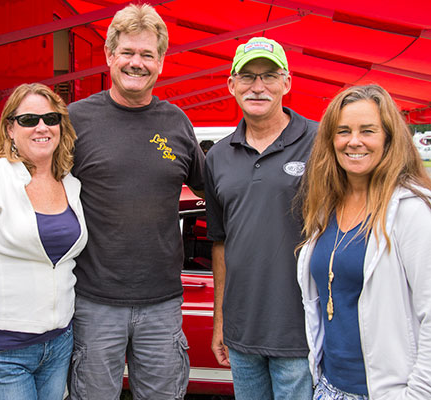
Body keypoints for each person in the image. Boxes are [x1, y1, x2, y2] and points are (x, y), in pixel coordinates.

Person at [67, 4, 205, 400]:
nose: (136, 63)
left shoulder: (176, 123)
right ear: (110, 56)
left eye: (147, 54)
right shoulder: (77, 120)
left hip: (162, 302)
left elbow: (213, 190)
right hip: (93, 301)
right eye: (128, 52)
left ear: (161, 62)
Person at [297, 84, 431, 399]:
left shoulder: (411, 210)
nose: (354, 141)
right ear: (330, 140)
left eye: (367, 131)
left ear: (388, 137)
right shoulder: (326, 207)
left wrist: (417, 394)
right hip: (328, 387)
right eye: (343, 131)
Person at [0, 83, 88, 399]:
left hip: (58, 345)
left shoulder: (71, 185)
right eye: (29, 119)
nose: (42, 127)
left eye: (51, 118)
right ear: (10, 130)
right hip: (2, 352)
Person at [204, 37, 316, 400]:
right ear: (231, 85)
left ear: (287, 83)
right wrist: (220, 320)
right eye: (247, 76)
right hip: (242, 334)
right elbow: (220, 242)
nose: (258, 86)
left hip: (300, 332)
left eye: (269, 76)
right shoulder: (217, 157)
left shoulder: (319, 142)